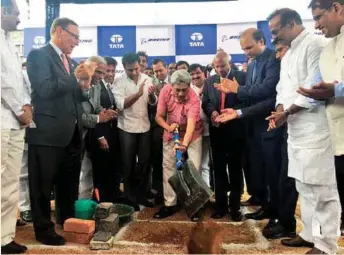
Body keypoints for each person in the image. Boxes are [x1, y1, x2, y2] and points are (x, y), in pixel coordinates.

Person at [266, 8, 340, 254]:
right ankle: (309, 234)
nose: (274, 38)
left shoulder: (315, 44)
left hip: (316, 128)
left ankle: (326, 244)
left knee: (322, 189)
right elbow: (281, 89)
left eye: (277, 31)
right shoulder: (287, 55)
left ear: (291, 24)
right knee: (303, 186)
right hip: (295, 130)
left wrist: (285, 113)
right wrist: (279, 111)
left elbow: (314, 91)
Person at [26, 17, 94, 245]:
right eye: (73, 36)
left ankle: (66, 221)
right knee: (42, 186)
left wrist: (84, 86)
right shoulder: (39, 55)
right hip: (47, 133)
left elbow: (76, 97)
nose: (76, 42)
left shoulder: (71, 63)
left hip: (72, 134)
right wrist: (74, 78)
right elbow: (44, 90)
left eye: (78, 38)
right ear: (57, 30)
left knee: (68, 184)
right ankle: (44, 229)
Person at [215, 29, 284, 229]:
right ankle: (266, 205)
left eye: (249, 47)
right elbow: (251, 95)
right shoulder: (253, 63)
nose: (246, 52)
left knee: (273, 171)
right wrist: (237, 108)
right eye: (243, 48)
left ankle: (278, 216)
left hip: (269, 123)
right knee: (259, 169)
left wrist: (237, 91)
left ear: (261, 41)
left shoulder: (273, 59)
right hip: (253, 125)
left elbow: (267, 92)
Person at [298, 0, 344, 236]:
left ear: (336, 8)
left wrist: (335, 91)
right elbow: (320, 88)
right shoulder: (329, 48)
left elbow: (334, 88)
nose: (316, 25)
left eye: (318, 17)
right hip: (337, 140)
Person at [1, 0, 32, 253]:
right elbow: (3, 84)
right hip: (3, 121)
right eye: (16, 14)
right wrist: (20, 111)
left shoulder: (9, 42)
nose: (19, 20)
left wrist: (26, 106)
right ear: (2, 11)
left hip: (14, 122)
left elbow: (20, 82)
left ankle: (4, 238)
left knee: (9, 184)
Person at [153, 70, 203, 220]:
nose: (181, 93)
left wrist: (184, 144)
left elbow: (191, 125)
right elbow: (159, 117)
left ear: (189, 85)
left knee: (193, 168)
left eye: (184, 89)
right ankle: (170, 204)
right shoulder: (165, 91)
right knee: (169, 167)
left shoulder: (194, 98)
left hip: (192, 135)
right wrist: (168, 128)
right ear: (171, 86)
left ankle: (195, 206)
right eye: (177, 90)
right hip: (171, 132)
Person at [202, 52, 246, 221]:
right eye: (217, 66)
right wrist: (212, 112)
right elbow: (205, 101)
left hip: (236, 130)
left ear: (230, 63)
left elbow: (247, 100)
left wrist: (233, 114)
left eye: (223, 66)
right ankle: (220, 206)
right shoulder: (210, 80)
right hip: (217, 130)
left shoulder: (241, 77)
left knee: (235, 169)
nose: (220, 69)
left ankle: (235, 207)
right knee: (218, 169)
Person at [113, 52, 157, 209]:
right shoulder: (118, 82)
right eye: (130, 70)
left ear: (141, 65)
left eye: (136, 68)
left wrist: (151, 96)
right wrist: (138, 94)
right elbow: (121, 105)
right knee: (128, 164)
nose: (134, 72)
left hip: (144, 126)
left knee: (144, 162)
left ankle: (141, 195)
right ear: (124, 68)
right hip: (126, 127)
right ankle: (130, 198)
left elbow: (152, 103)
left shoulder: (148, 79)